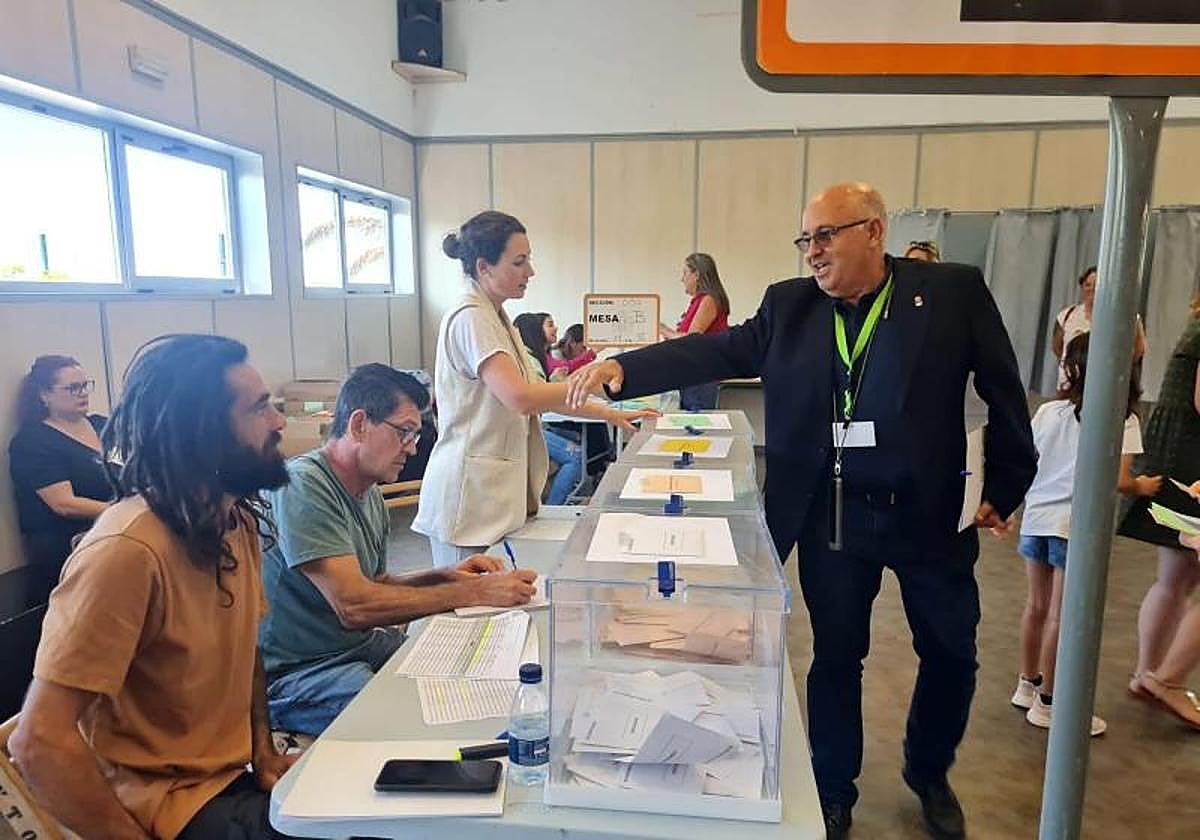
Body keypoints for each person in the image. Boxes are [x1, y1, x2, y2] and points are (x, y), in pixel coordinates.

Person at [568, 182, 1037, 840]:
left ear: (873, 232)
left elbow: (1002, 384)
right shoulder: (789, 307)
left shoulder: (952, 292)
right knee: (837, 656)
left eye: (825, 236)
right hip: (833, 517)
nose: (812, 252)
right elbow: (716, 350)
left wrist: (1009, 483)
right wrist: (624, 369)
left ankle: (929, 772)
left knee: (953, 653)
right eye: (805, 239)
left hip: (927, 516)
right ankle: (832, 788)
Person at [10, 334, 302, 839]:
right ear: (203, 434)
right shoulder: (126, 551)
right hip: (164, 808)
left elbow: (246, 650)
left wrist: (263, 751)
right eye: (260, 409)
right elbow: (38, 741)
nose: (278, 422)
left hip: (231, 778)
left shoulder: (235, 521)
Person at [260, 363, 539, 736]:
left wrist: (440, 576)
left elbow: (375, 583)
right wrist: (475, 591)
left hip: (352, 648)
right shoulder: (304, 486)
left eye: (416, 435)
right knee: (420, 714)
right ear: (359, 425)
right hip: (303, 671)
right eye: (404, 432)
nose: (411, 448)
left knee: (462, 677)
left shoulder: (367, 491)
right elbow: (355, 606)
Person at [413, 211, 656, 568]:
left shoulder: (498, 317)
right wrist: (590, 380)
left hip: (494, 496)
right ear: (484, 267)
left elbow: (539, 390)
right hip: (469, 499)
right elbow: (520, 397)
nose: (530, 272)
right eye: (519, 262)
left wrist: (610, 413)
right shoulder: (471, 316)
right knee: (469, 610)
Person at [1012, 333, 1161, 736]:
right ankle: (1049, 704)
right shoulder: (1122, 418)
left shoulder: (1048, 412)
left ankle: (1028, 685)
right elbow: (1119, 479)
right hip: (1073, 526)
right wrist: (1143, 486)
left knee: (1036, 606)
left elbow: (1026, 459)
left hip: (1037, 518)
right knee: (1061, 615)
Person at [1120, 296, 1200, 728]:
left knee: (1176, 579)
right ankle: (1167, 680)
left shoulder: (1196, 324)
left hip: (1171, 466)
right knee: (1178, 579)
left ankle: (1147, 675)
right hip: (1190, 472)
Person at [8, 355, 115, 606]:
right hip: (68, 552)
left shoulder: (104, 425)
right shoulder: (33, 441)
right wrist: (124, 511)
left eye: (85, 385)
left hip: (114, 537)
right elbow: (64, 504)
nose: (82, 393)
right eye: (72, 388)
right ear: (44, 396)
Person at [514, 313, 584, 505]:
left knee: (580, 441)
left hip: (535, 424)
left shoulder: (533, 357)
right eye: (549, 325)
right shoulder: (530, 360)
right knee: (575, 455)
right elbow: (540, 396)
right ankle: (554, 507)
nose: (555, 329)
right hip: (527, 428)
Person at [1051, 265, 1147, 390]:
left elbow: (1139, 350)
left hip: (1108, 388)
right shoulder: (1067, 315)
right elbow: (1057, 348)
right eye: (1088, 285)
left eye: (1097, 285)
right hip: (1069, 387)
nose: (1091, 289)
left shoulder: (1128, 317)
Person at [657, 252, 731, 411]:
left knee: (697, 424)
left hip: (701, 375)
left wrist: (664, 329)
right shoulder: (699, 301)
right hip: (693, 374)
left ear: (696, 275)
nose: (682, 279)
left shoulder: (709, 300)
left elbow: (691, 340)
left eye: (685, 273)